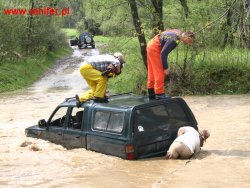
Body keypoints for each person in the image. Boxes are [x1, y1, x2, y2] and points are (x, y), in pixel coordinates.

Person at [147, 29, 195, 100]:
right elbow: (163, 54)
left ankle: (151, 92)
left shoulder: (178, 33)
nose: (189, 43)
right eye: (190, 41)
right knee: (160, 72)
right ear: (187, 37)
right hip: (155, 47)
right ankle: (159, 94)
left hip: (151, 44)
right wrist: (165, 68)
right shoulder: (174, 40)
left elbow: (165, 34)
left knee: (152, 71)